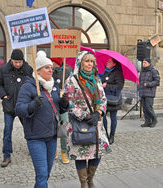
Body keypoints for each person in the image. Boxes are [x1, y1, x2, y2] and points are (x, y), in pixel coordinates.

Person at [15, 51, 69, 188]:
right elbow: (19, 109)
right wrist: (32, 105)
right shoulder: (28, 86)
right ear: (38, 70)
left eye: (51, 67)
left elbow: (60, 110)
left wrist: (64, 103)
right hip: (36, 137)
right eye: (47, 67)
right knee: (42, 174)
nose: (51, 69)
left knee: (46, 173)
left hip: (51, 136)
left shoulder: (54, 86)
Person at [64, 51, 111, 188]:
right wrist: (86, 116)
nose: (90, 64)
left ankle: (90, 180)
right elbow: (70, 104)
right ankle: (83, 183)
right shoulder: (71, 80)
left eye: (92, 61)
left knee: (97, 153)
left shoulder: (96, 80)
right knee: (80, 154)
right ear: (80, 63)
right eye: (87, 61)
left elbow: (103, 99)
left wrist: (98, 113)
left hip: (96, 122)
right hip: (78, 123)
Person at [0, 49, 33, 167]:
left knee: (29, 129)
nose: (18, 64)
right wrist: (4, 96)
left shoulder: (28, 69)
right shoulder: (4, 69)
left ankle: (33, 150)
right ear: (11, 60)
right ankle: (6, 156)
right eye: (16, 62)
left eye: (20, 62)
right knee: (7, 131)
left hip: (23, 105)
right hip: (9, 105)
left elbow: (32, 84)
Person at [50, 57, 73, 164]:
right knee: (52, 129)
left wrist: (65, 93)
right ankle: (53, 151)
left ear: (57, 63)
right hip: (52, 105)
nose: (51, 64)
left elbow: (72, 87)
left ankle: (64, 152)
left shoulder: (67, 72)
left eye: (53, 62)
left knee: (63, 130)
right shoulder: (50, 71)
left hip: (63, 106)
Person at [102, 58, 124, 144]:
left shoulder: (118, 73)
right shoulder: (105, 71)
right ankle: (105, 134)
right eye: (107, 61)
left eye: (109, 61)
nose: (107, 62)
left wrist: (107, 85)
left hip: (113, 98)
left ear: (114, 64)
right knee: (103, 117)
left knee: (113, 117)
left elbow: (119, 86)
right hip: (104, 98)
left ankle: (112, 135)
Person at [138, 58, 160, 128]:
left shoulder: (153, 71)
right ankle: (147, 121)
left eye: (145, 62)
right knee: (144, 108)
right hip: (143, 92)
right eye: (143, 62)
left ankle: (154, 120)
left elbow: (157, 82)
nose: (143, 64)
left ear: (149, 63)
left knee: (149, 107)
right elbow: (140, 81)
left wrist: (148, 84)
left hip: (150, 92)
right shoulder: (142, 71)